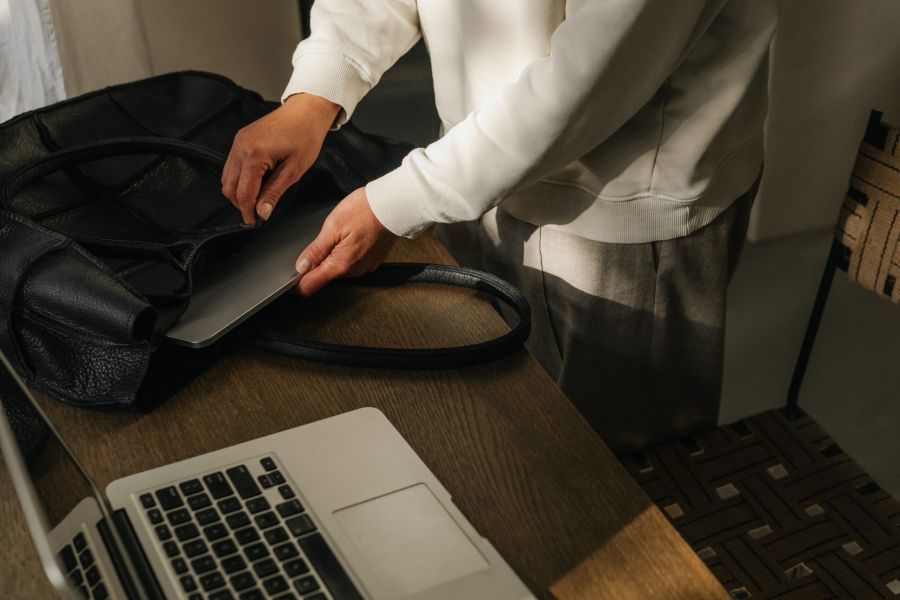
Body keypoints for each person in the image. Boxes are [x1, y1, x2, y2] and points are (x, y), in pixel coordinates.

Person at [221, 0, 778, 454]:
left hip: (618, 214)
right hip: (470, 172)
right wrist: (315, 94)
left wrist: (400, 201)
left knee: (620, 484)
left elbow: (590, 78)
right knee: (502, 440)